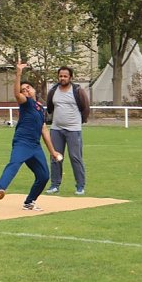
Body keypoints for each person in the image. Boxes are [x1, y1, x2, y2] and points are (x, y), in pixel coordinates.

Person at [0, 60, 62, 211]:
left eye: (28, 88)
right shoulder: (26, 103)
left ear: (34, 90)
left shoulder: (40, 109)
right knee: (14, 164)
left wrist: (53, 152)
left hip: (35, 146)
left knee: (43, 176)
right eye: (24, 90)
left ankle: (29, 202)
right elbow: (16, 94)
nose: (26, 91)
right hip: (22, 143)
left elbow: (44, 130)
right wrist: (18, 73)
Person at [45, 66, 90, 195]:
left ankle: (80, 186)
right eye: (60, 76)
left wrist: (80, 121)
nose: (62, 78)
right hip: (56, 129)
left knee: (75, 157)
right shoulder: (53, 90)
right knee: (56, 157)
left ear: (70, 77)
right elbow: (50, 107)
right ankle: (55, 185)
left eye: (65, 76)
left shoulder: (77, 91)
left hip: (73, 129)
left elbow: (85, 108)